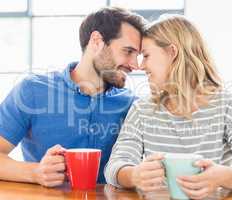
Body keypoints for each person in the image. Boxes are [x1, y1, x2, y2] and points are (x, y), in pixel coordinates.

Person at [104, 15, 232, 199]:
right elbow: (114, 168)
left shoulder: (230, 106)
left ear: (172, 52)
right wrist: (134, 175)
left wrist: (225, 176)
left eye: (147, 56)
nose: (141, 66)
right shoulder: (142, 110)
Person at [0, 7, 146, 187]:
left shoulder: (132, 105)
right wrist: (35, 172)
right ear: (96, 41)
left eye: (138, 55)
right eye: (128, 51)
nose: (135, 65)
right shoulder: (32, 90)